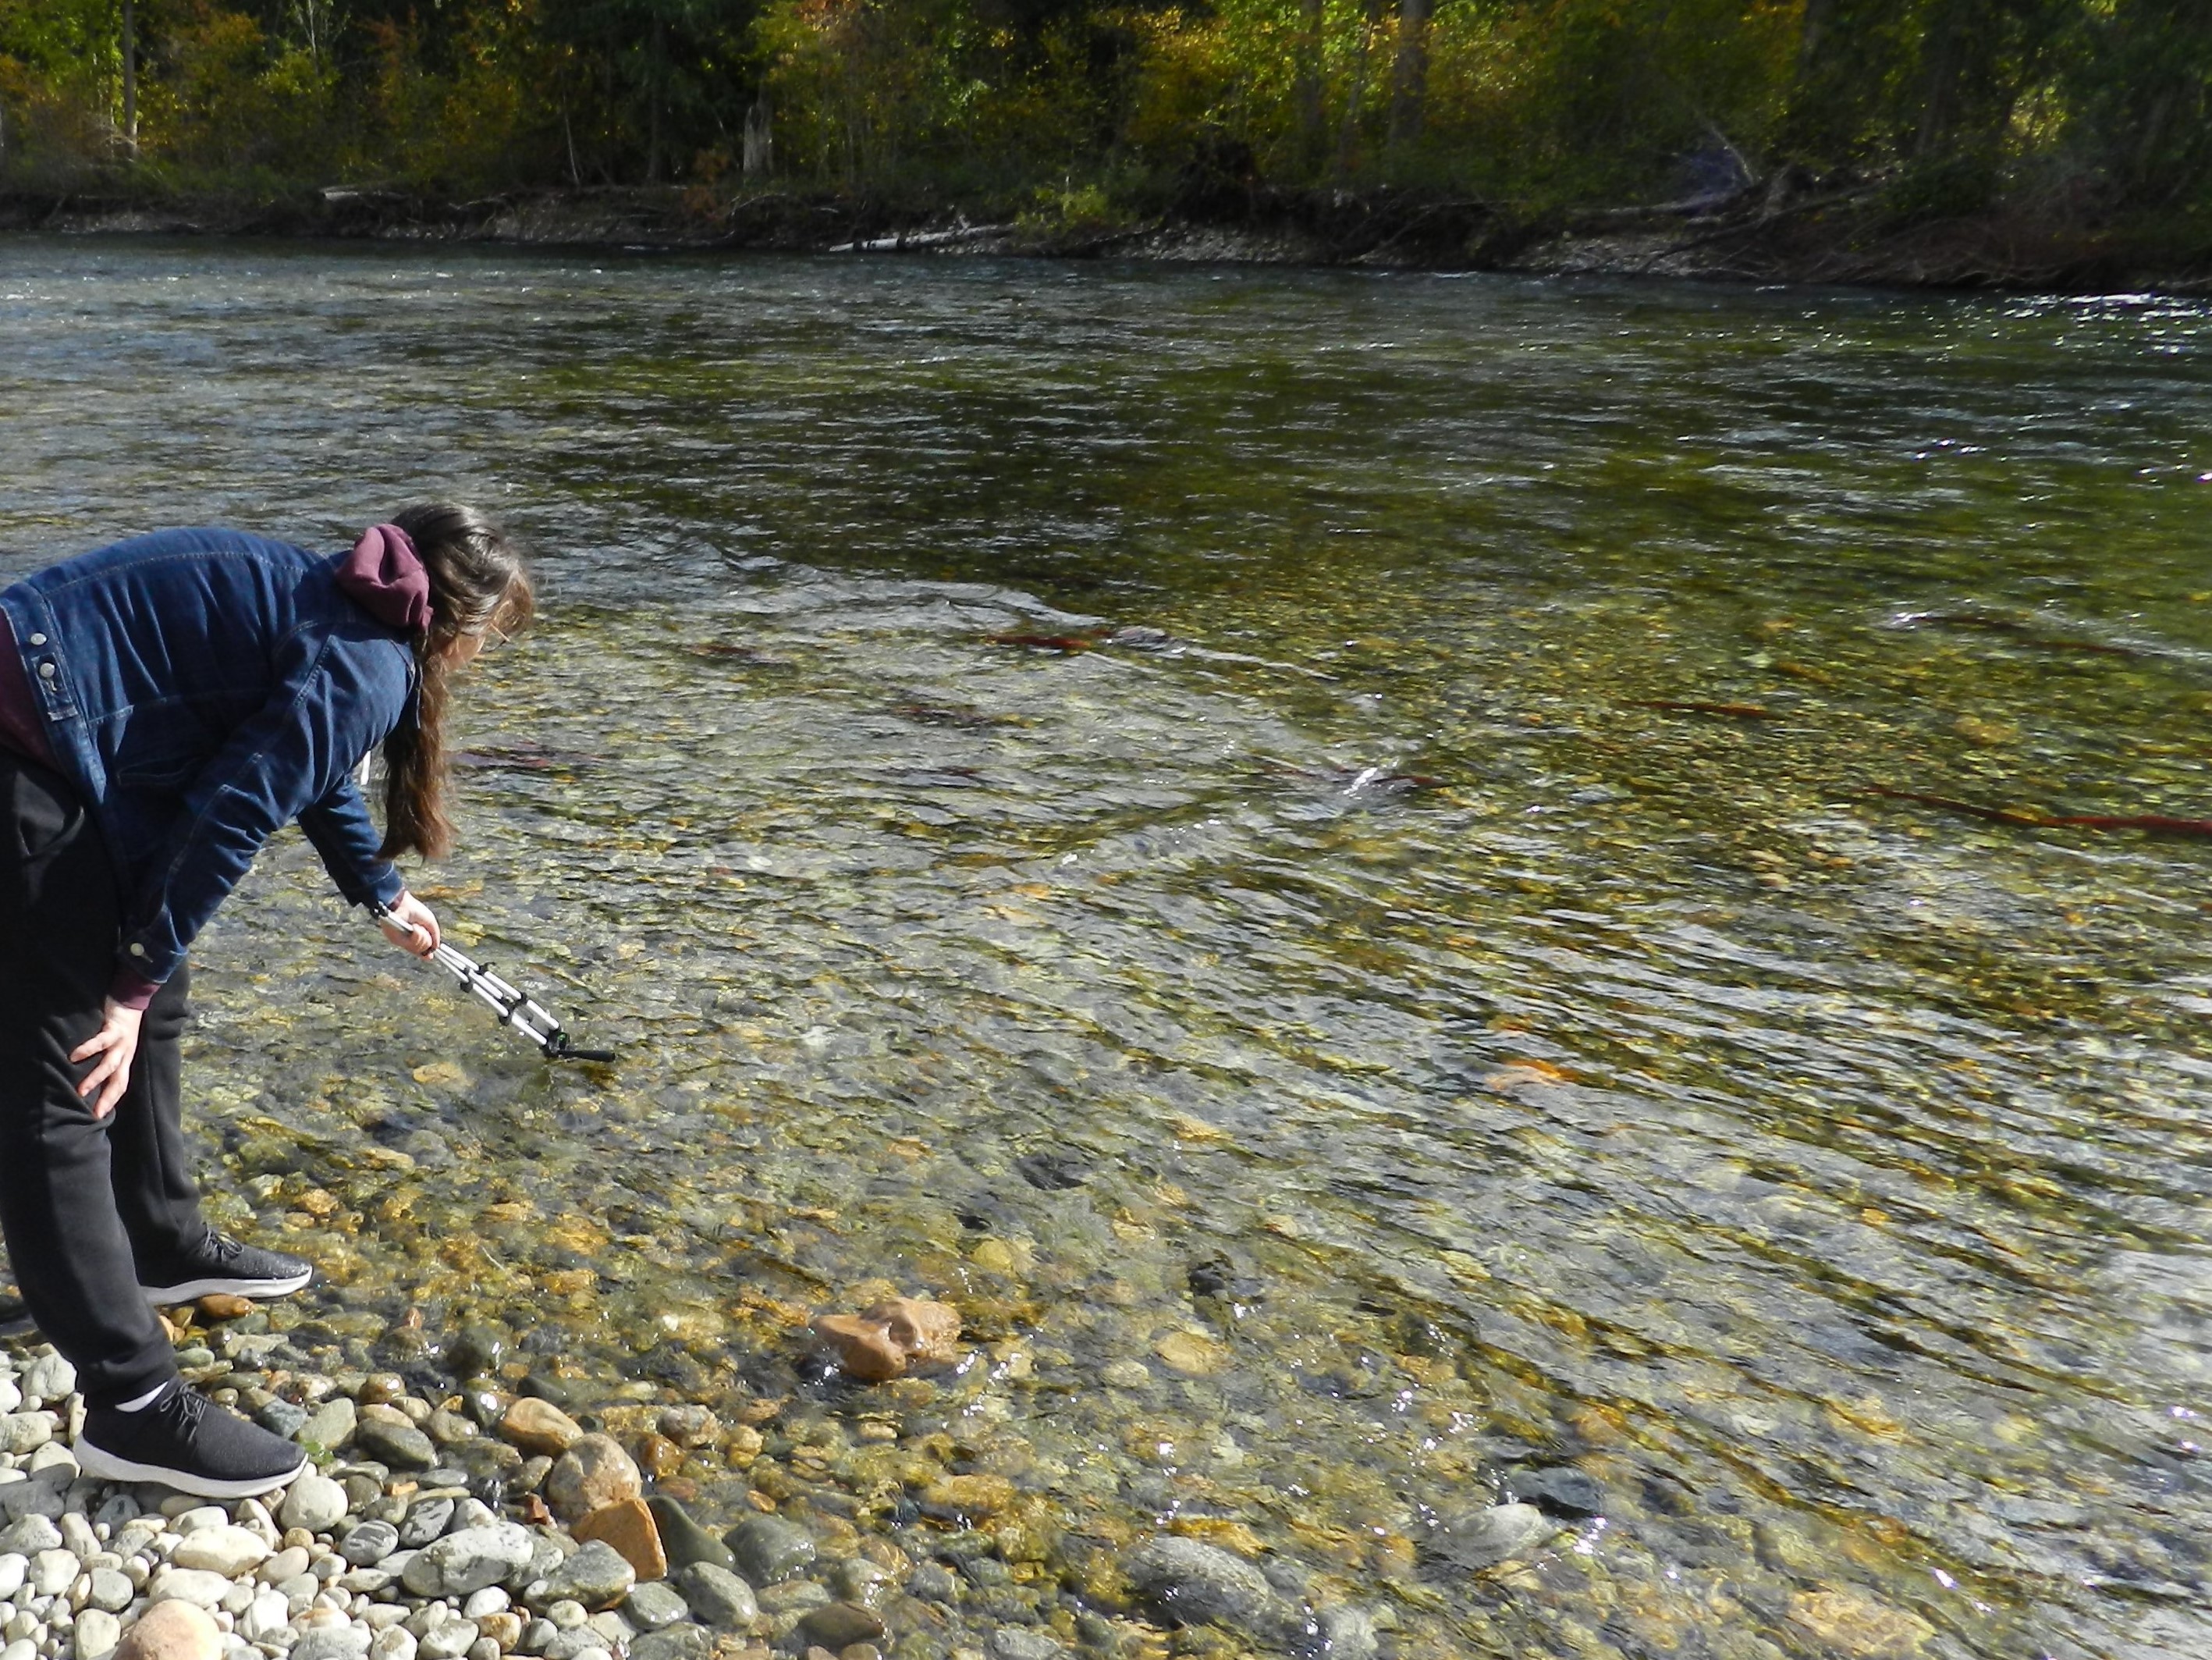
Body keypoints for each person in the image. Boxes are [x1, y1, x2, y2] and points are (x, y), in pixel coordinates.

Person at [0, 506, 531, 1498]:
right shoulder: (370, 659)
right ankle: (134, 1408)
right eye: (490, 642)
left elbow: (297, 755)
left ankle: (156, 1240)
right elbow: (233, 810)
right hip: (24, 753)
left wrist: (377, 889)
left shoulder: (332, 602)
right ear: (459, 627)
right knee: (64, 1077)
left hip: (42, 731)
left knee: (157, 980)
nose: (480, 659)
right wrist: (125, 988)